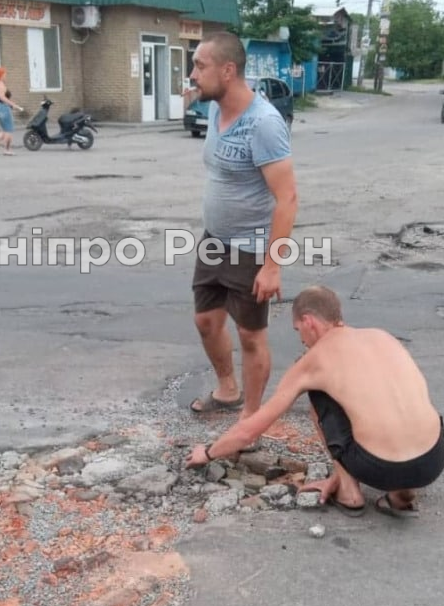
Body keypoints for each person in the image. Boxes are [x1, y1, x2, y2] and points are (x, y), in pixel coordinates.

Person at [185, 285, 444, 518]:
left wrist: (207, 453)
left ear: (309, 321)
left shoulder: (314, 360)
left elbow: (250, 430)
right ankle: (403, 494)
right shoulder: (382, 336)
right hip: (433, 460)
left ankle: (349, 491)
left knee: (319, 395)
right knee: (396, 396)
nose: (301, 339)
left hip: (379, 468)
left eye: (298, 330)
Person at [186, 31, 299, 428]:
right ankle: (227, 390)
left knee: (251, 336)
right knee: (206, 321)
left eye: (200, 66)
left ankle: (251, 418)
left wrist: (272, 266)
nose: (193, 74)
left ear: (228, 70)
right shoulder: (216, 110)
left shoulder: (264, 124)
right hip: (214, 242)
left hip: (251, 249)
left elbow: (287, 199)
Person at [0, 67, 23, 155]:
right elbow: (2, 97)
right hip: (2, 108)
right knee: (9, 130)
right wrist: (13, 105)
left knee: (5, 128)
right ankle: (7, 150)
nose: (6, 76)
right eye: (5, 74)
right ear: (1, 75)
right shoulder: (0, 84)